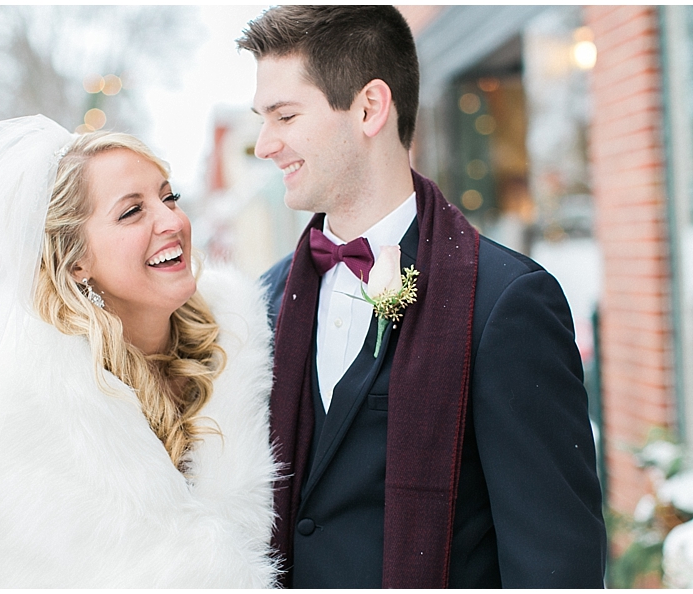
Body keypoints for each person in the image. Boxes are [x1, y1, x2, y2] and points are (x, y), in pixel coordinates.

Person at [237, 5, 607, 588]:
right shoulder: (263, 301)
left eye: (284, 116)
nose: (264, 145)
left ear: (369, 107)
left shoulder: (505, 303)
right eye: (262, 118)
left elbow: (555, 564)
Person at [0, 115, 277, 587]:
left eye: (168, 196)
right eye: (131, 212)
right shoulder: (18, 416)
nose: (171, 221)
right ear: (76, 260)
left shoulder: (248, 345)